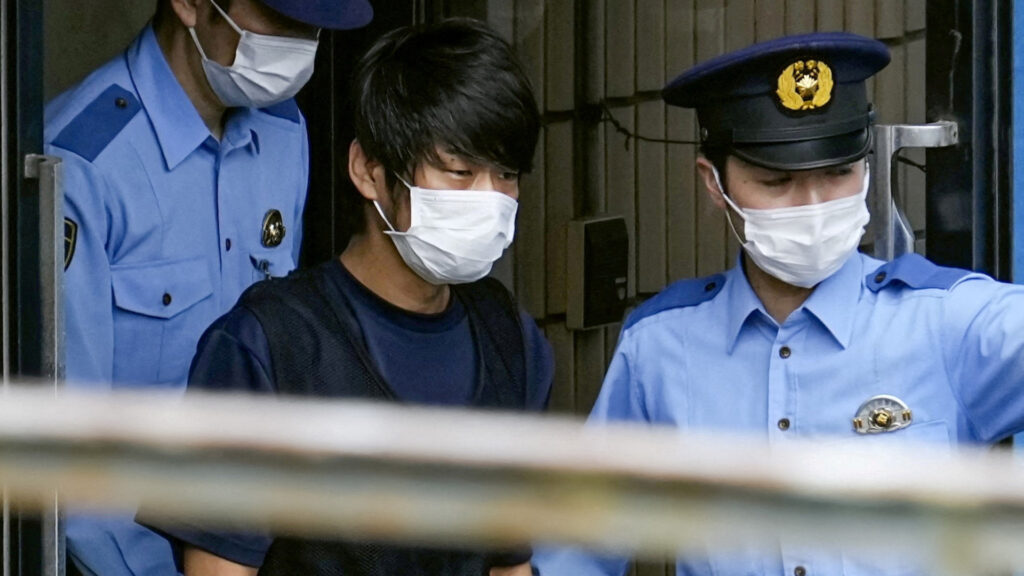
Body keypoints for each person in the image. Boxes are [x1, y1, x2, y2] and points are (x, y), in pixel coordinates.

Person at [533, 32, 1024, 575]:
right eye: (777, 181)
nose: (813, 206)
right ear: (714, 183)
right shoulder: (661, 346)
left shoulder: (948, 322)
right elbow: (577, 551)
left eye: (838, 172)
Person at [147, 18, 553, 576]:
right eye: (459, 171)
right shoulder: (267, 345)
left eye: (506, 174)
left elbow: (510, 562)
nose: (490, 199)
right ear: (368, 170)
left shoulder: (511, 340)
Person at [44, 0, 372, 574]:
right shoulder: (82, 161)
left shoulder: (283, 130)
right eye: (280, 20)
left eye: (312, 28)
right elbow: (68, 449)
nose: (301, 44)